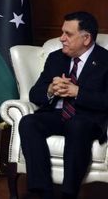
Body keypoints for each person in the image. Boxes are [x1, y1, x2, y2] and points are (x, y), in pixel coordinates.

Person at [19, 11, 108, 199]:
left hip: (88, 119)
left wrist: (78, 93)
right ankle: (42, 191)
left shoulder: (105, 60)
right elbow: (34, 94)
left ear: (86, 38)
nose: (62, 38)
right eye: (62, 33)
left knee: (76, 125)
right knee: (28, 122)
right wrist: (50, 89)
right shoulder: (56, 58)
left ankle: (69, 193)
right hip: (58, 114)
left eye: (68, 34)